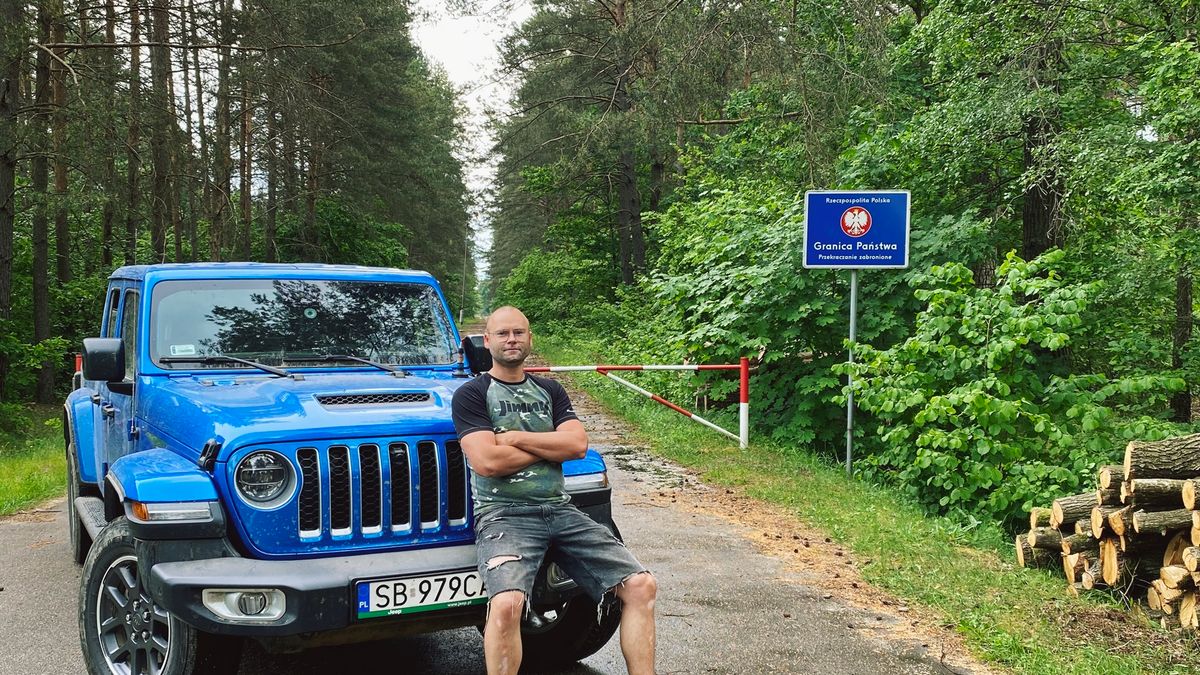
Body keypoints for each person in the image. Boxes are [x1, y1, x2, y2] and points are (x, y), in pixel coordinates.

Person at [451, 306, 657, 675]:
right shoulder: (472, 393)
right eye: (503, 334)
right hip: (504, 515)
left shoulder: (549, 389)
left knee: (641, 586)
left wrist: (513, 438)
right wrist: (549, 447)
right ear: (487, 341)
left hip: (559, 509)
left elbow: (577, 446)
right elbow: (487, 463)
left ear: (530, 339)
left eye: (518, 333)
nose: (511, 339)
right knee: (508, 604)